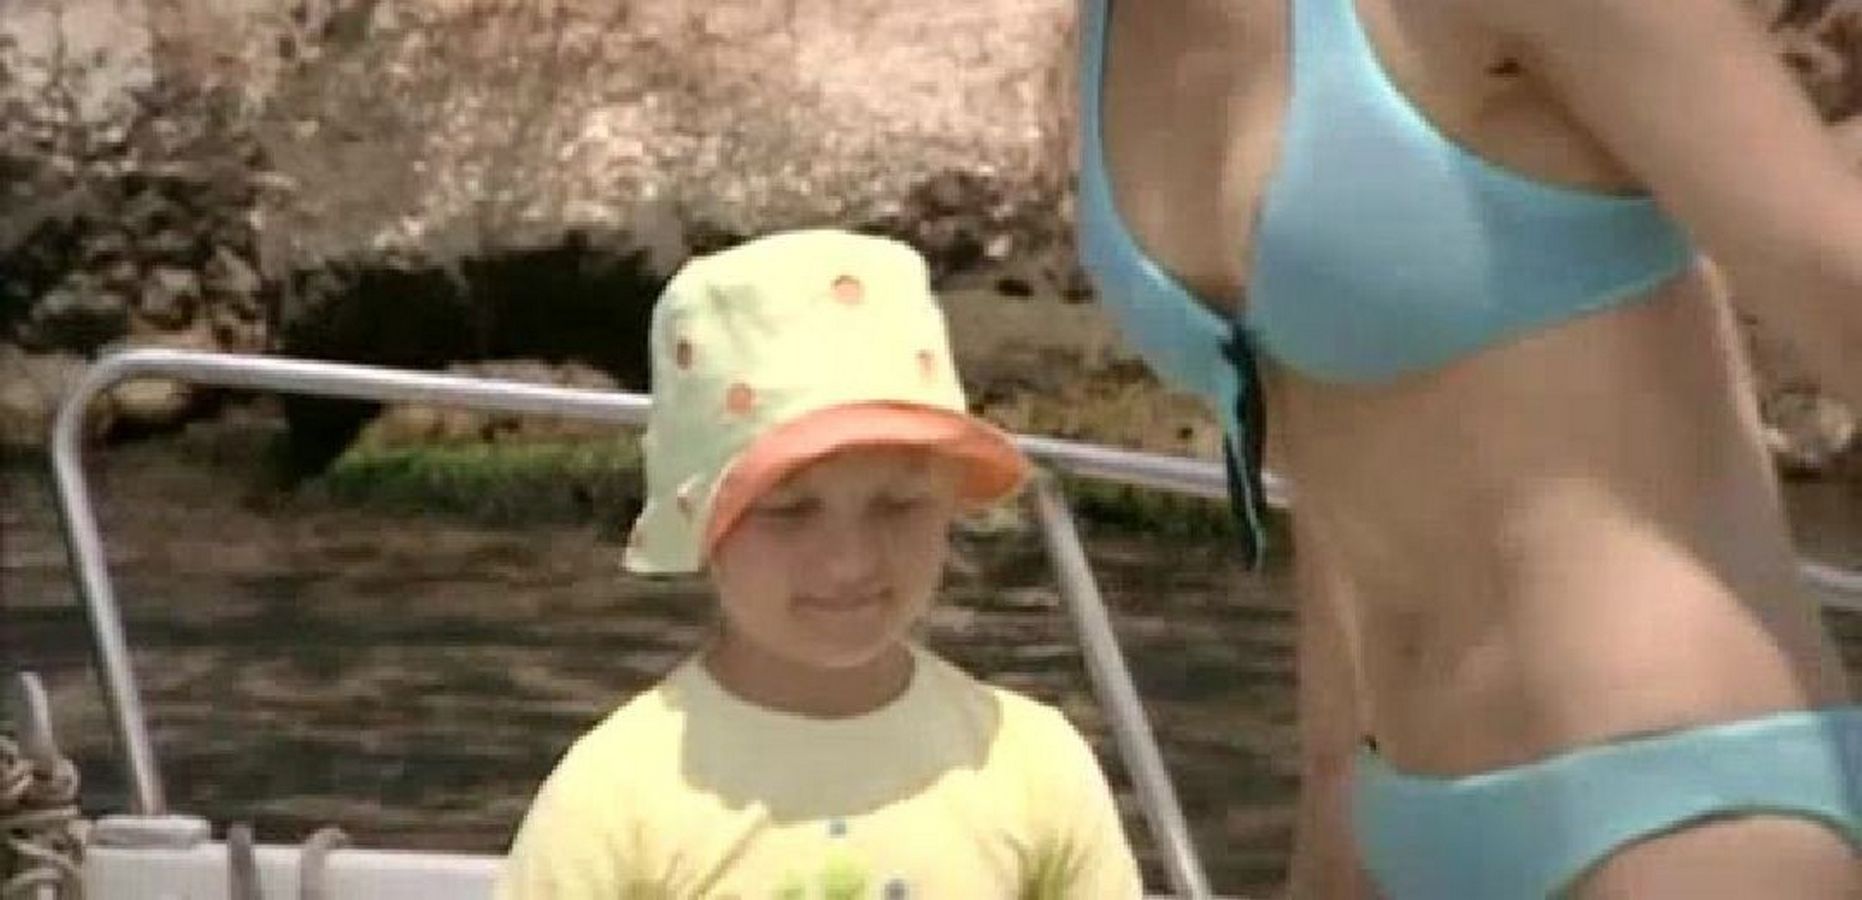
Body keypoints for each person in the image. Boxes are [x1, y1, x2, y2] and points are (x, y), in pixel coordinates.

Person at [1074, 0, 1862, 896]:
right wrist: (1329, 827)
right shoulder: (1113, 32)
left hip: (1683, 804)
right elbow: (1338, 450)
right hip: (1397, 823)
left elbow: (1843, 296)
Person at [495, 229, 1144, 899]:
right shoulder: (612, 800)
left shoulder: (1036, 771)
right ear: (703, 522)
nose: (848, 561)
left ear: (950, 501)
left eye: (897, 504)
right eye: (789, 511)